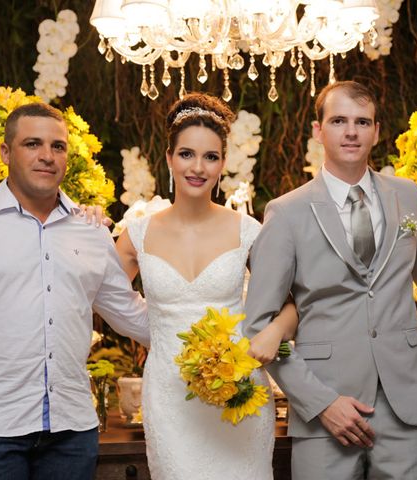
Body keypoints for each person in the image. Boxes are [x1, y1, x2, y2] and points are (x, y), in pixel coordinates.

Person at [244, 80, 417, 480]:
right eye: (338, 120)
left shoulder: (408, 196)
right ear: (318, 131)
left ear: (377, 131)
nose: (351, 131)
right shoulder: (287, 213)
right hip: (325, 407)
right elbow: (259, 326)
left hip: (406, 401)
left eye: (362, 121)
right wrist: (318, 401)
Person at [0, 102, 150, 480]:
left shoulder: (90, 231)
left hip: (70, 431)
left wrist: (211, 330)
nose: (47, 156)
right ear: (6, 152)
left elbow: (131, 314)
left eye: (57, 147)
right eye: (32, 144)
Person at [114, 92, 297, 480]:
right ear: (168, 158)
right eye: (186, 154)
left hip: (239, 397)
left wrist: (274, 333)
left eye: (210, 157)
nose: (197, 167)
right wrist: (158, 335)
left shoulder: (249, 232)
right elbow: (104, 297)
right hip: (170, 400)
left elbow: (293, 303)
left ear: (223, 165)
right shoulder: (138, 236)